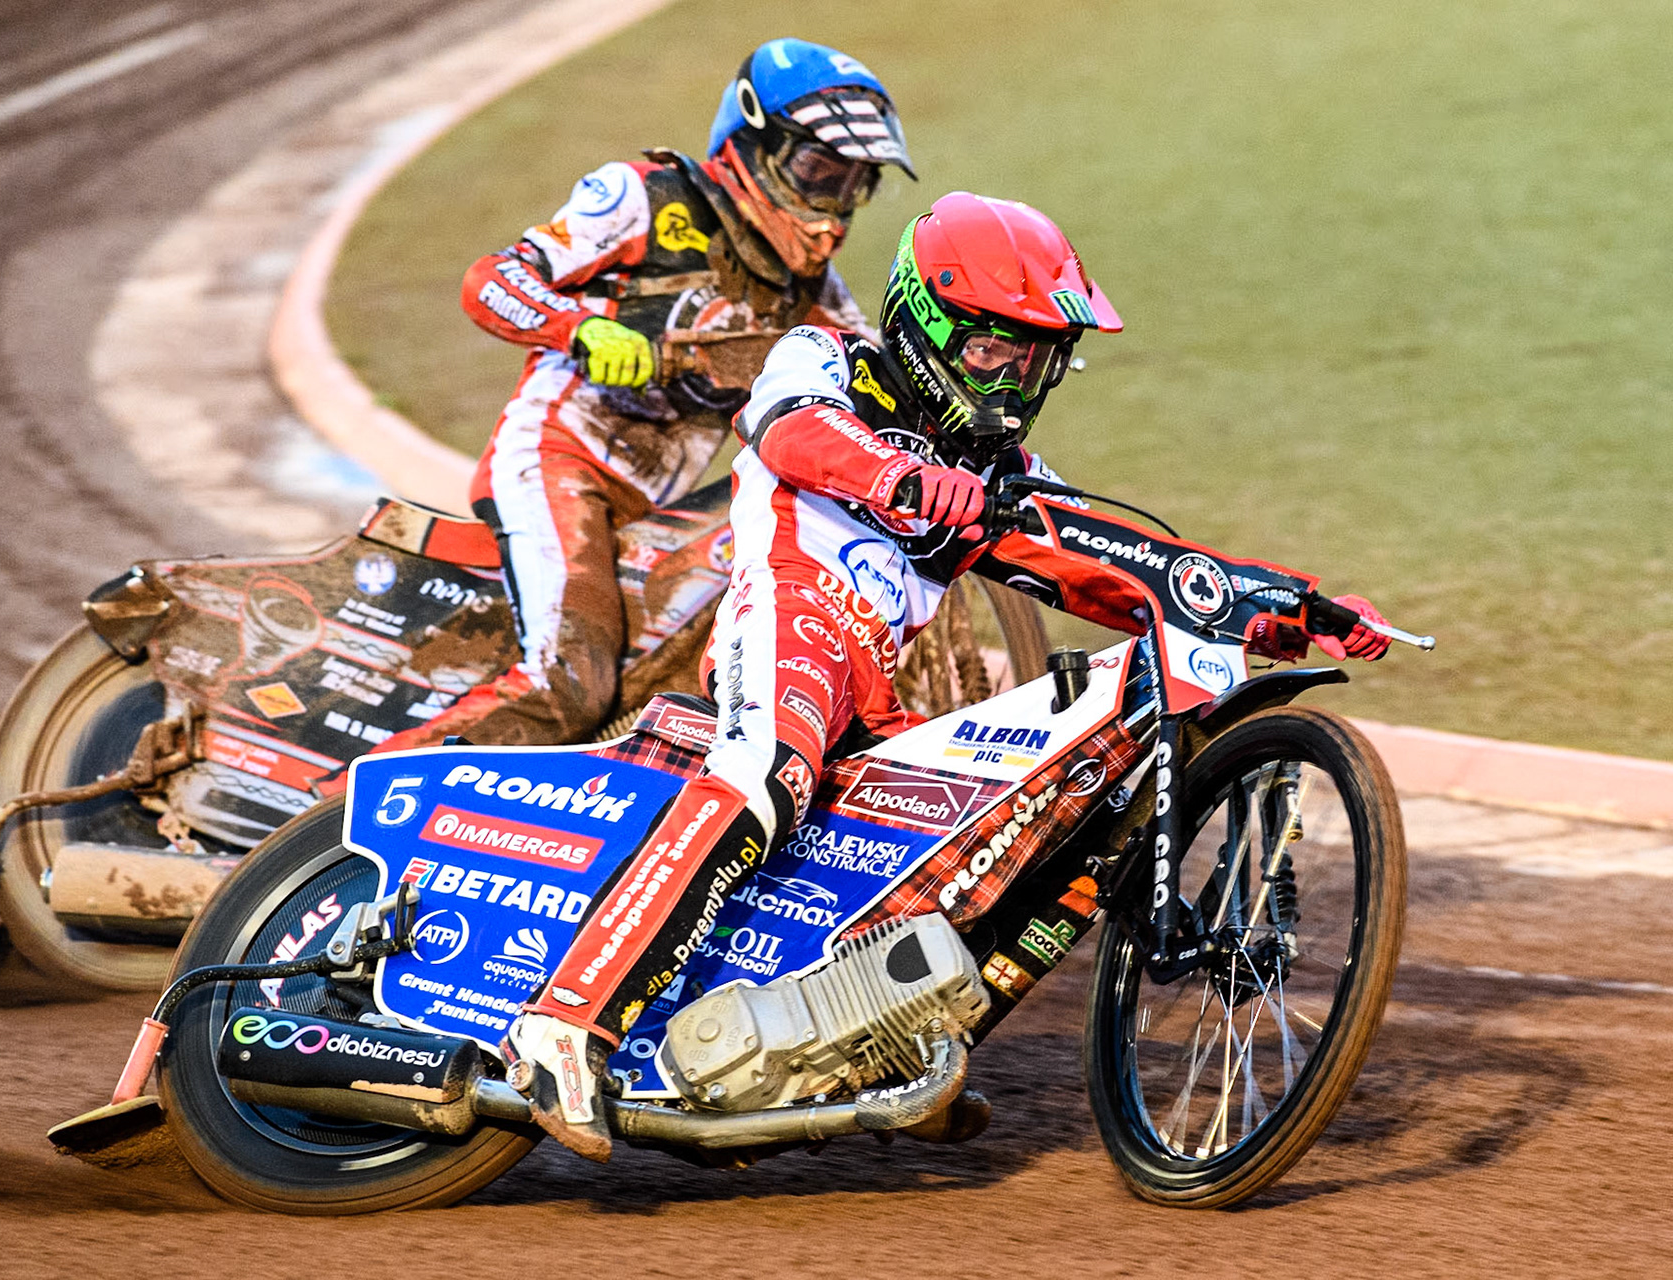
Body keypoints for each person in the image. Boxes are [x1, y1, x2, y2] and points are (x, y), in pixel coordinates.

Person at [505, 191, 1395, 1160]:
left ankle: (889, 1045)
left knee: (1007, 825)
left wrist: (1291, 606)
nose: (1015, 380)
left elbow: (1121, 563)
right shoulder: (825, 359)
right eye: (995, 349)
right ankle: (566, 1021)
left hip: (874, 688)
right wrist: (908, 478)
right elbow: (793, 431)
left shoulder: (1006, 469)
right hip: (788, 622)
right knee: (765, 772)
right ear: (928, 323)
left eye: (1037, 358)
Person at [375, 39, 916, 754]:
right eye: (819, 170)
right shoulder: (645, 195)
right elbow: (492, 279)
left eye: (854, 182)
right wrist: (582, 330)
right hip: (561, 465)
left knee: (670, 685)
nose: (834, 205)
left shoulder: (810, 293)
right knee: (568, 685)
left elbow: (876, 379)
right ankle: (337, 818)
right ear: (753, 143)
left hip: (663, 512)